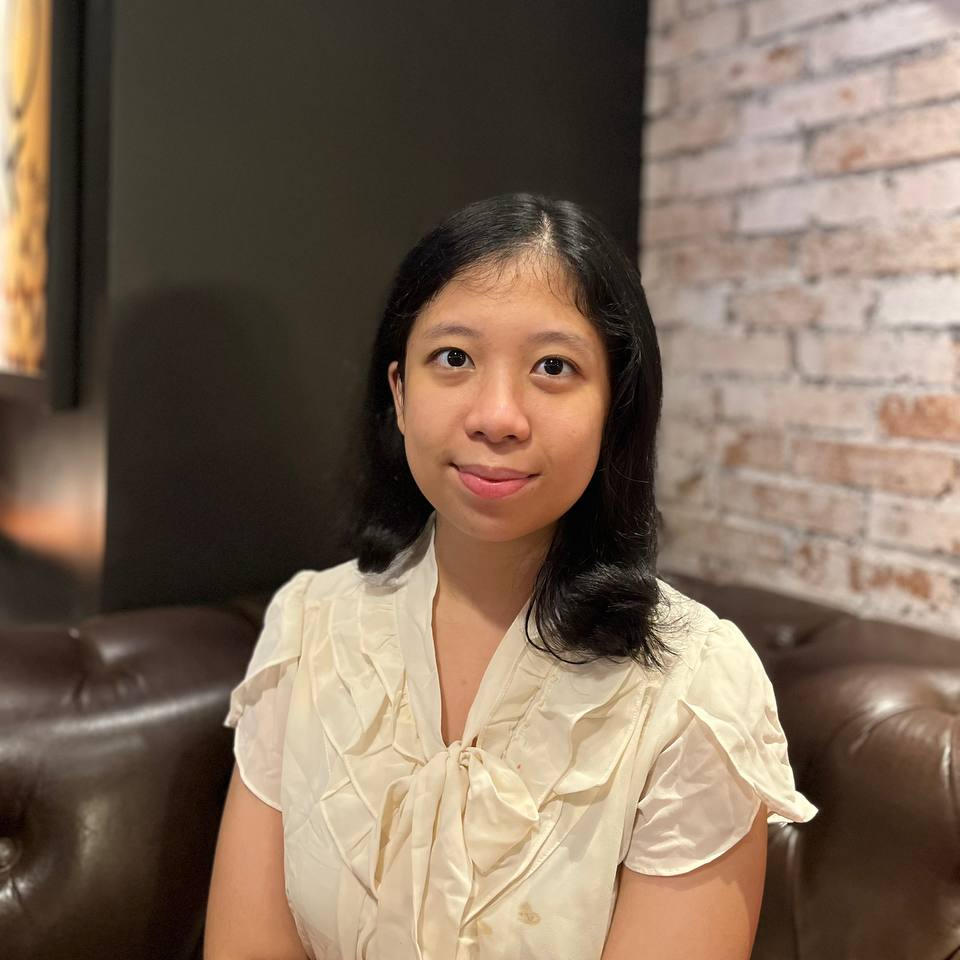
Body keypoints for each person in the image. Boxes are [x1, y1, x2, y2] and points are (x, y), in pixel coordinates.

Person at [204, 193, 818, 960]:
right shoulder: (307, 628)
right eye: (454, 358)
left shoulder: (696, 689)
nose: (497, 416)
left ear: (615, 410)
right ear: (399, 394)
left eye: (553, 367)